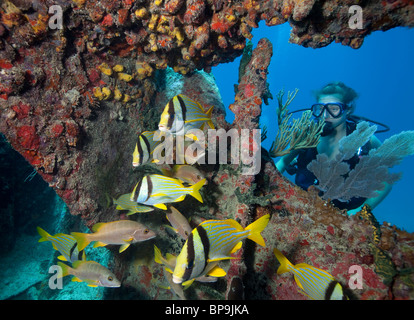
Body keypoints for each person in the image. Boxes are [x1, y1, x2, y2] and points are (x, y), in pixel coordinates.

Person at [276, 81, 392, 214]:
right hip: (304, 209)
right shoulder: (306, 136)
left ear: (347, 110)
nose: (325, 115)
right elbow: (283, 162)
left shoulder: (367, 140)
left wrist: (360, 211)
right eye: (321, 109)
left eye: (334, 109)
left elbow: (386, 181)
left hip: (347, 213)